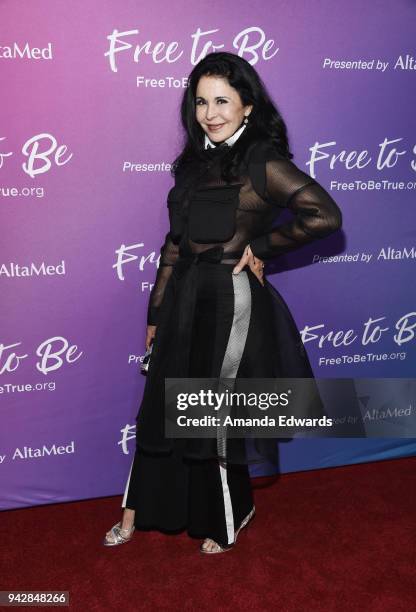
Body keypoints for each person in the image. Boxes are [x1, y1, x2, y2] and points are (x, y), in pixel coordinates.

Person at [103, 51, 342, 554]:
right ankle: (137, 510)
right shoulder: (192, 164)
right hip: (184, 298)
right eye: (201, 102)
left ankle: (228, 516)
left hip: (230, 301)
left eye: (222, 101)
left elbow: (323, 215)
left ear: (247, 106)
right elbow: (173, 244)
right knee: (161, 406)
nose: (210, 113)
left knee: (212, 410)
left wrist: (262, 247)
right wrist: (155, 313)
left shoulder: (262, 160)